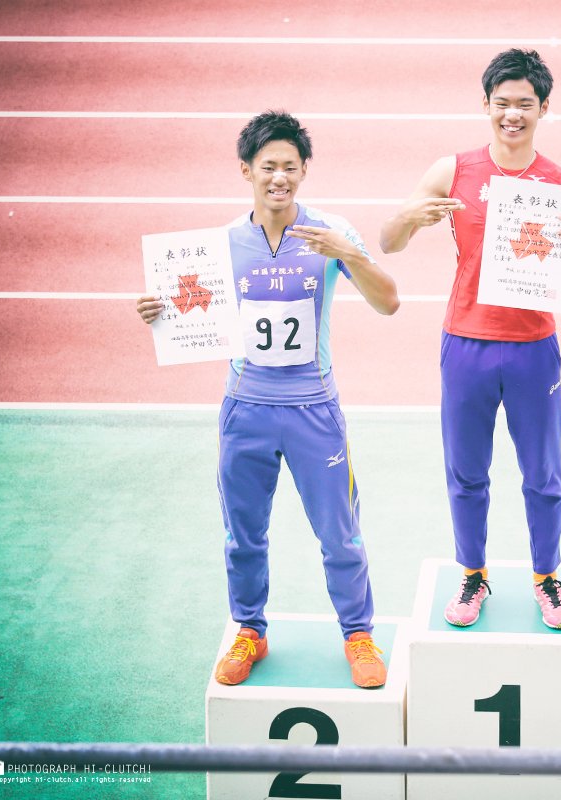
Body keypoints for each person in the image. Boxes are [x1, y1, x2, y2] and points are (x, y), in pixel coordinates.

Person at [136, 111, 399, 688]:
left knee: (339, 533)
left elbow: (389, 302)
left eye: (289, 167)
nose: (279, 177)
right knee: (243, 532)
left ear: (304, 171)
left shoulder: (332, 232)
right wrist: (159, 312)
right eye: (268, 167)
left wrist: (350, 255)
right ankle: (250, 630)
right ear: (246, 171)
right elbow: (188, 311)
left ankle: (358, 634)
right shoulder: (222, 244)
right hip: (245, 410)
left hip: (313, 411)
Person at [379, 49, 561, 630]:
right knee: (466, 472)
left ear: (543, 108)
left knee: (543, 474)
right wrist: (410, 219)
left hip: (533, 347)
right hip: (466, 343)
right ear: (486, 105)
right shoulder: (451, 170)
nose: (512, 115)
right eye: (502, 103)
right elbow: (388, 241)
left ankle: (546, 577)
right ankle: (473, 574)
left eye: (524, 104)